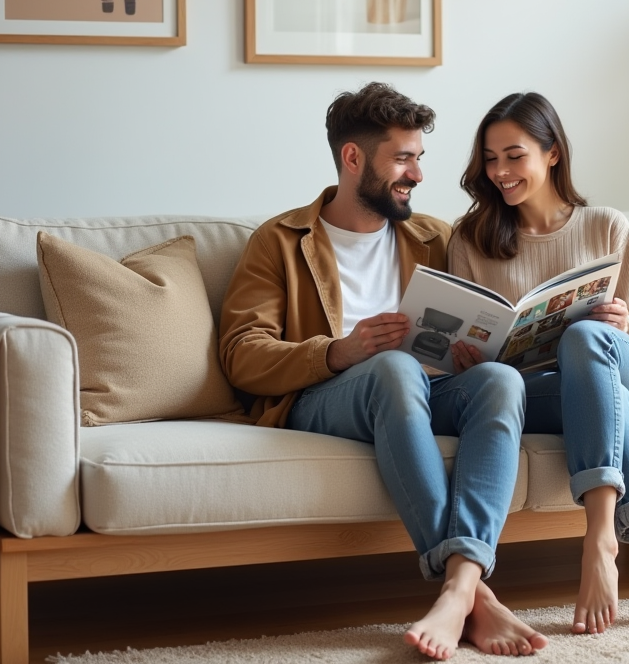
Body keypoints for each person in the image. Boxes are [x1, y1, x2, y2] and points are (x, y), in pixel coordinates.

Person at [219, 83, 547, 660]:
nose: (417, 174)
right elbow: (242, 354)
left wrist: (480, 354)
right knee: (394, 367)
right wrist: (337, 352)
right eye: (402, 157)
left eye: (419, 158)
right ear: (353, 158)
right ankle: (473, 591)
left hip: (429, 388)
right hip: (324, 396)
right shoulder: (281, 240)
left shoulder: (435, 238)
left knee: (500, 381)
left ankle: (463, 589)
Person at [447, 92, 629, 636]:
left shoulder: (607, 227)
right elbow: (473, 329)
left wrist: (623, 325)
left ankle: (599, 538)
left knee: (586, 339)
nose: (500, 171)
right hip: (544, 393)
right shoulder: (471, 238)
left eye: (514, 155)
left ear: (552, 154)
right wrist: (467, 357)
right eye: (490, 158)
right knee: (600, 394)